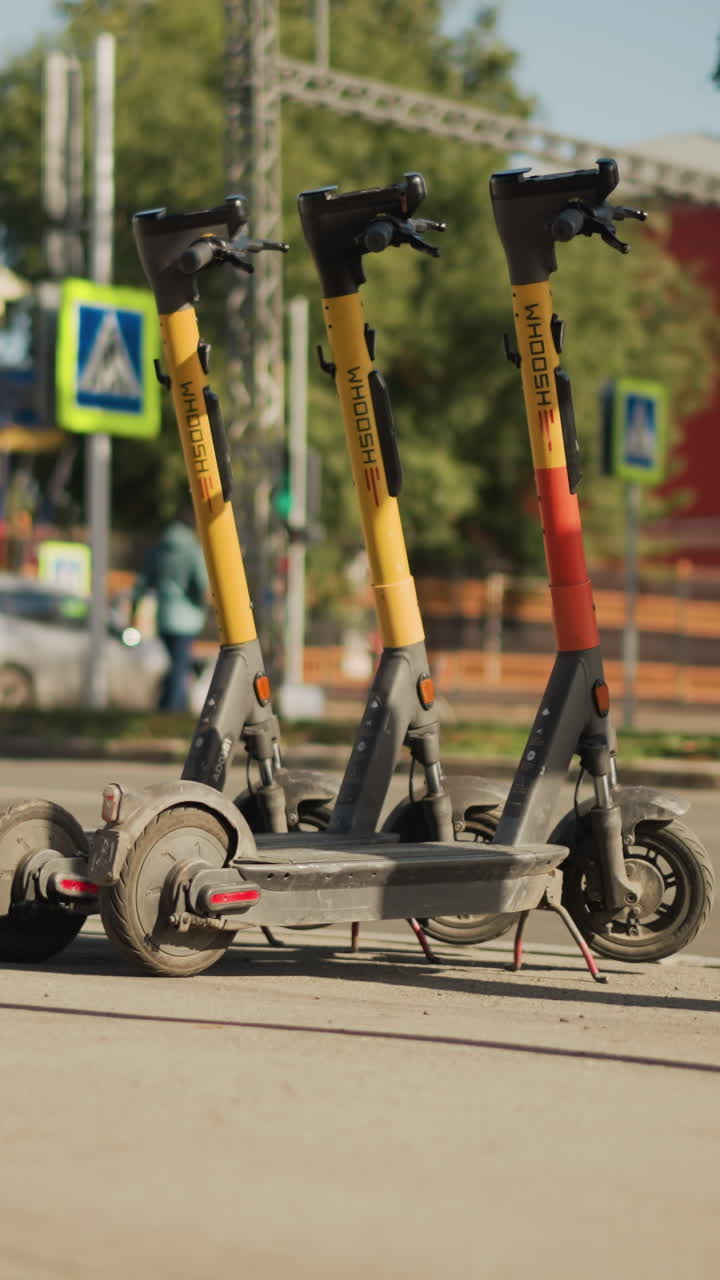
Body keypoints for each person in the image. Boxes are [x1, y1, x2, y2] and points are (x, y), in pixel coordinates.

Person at [131, 504, 208, 711]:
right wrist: (204, 607)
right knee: (180, 666)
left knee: (175, 664)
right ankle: (172, 710)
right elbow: (201, 583)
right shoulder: (192, 550)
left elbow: (142, 583)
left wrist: (134, 608)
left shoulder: (159, 549)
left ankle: (168, 704)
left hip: (164, 615)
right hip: (187, 618)